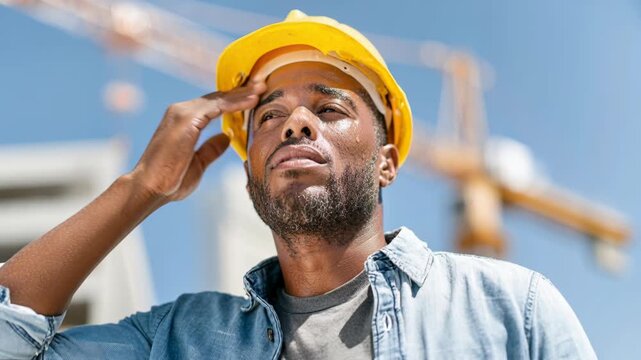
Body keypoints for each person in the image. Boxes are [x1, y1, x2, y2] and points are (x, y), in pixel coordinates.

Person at [0, 10, 595, 360]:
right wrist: (141, 188)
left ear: (387, 162)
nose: (295, 123)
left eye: (329, 108)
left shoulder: (509, 311)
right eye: (268, 116)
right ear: (252, 167)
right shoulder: (182, 340)